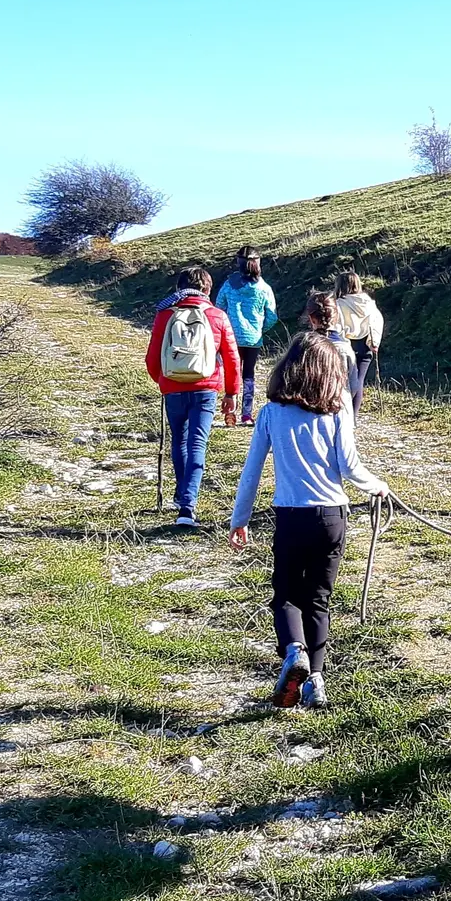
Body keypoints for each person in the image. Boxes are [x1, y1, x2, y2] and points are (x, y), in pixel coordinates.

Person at [230, 332, 389, 709]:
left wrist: (240, 519)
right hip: (333, 517)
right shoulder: (338, 411)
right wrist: (377, 486)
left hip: (290, 516)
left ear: (289, 369)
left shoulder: (270, 414)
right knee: (318, 599)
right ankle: (315, 681)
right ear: (330, 374)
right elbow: (348, 467)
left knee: (285, 595)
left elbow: (251, 471)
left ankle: (294, 652)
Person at [146, 265, 240, 527]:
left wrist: (164, 381)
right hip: (206, 388)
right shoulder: (218, 316)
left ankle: (180, 495)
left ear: (179, 288)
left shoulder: (165, 315)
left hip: (173, 387)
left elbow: (153, 358)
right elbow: (232, 358)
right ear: (207, 289)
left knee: (179, 441)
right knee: (197, 443)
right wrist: (231, 393)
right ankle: (188, 507)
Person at [216, 245, 279, 426]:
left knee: (232, 373)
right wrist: (259, 330)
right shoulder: (264, 288)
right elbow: (272, 316)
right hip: (253, 339)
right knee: (249, 376)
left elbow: (219, 307)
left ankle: (230, 412)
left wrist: (226, 328)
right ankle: (247, 413)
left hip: (231, 337)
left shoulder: (229, 285)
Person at [331, 271, 384, 408]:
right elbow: (377, 322)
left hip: (346, 344)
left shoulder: (338, 304)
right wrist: (375, 343)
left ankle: (342, 411)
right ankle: (353, 417)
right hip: (366, 345)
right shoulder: (369, 303)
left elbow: (337, 325)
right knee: (359, 381)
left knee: (344, 381)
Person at [303, 292, 363, 408]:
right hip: (339, 408)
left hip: (310, 410)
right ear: (336, 316)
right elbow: (354, 384)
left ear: (311, 319)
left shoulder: (304, 346)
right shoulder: (345, 348)